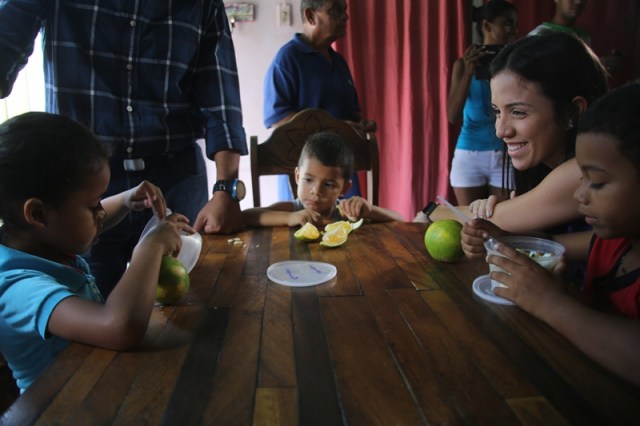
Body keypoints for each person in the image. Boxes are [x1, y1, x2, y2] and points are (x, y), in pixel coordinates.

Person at [0, 1, 247, 297]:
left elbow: (220, 97)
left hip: (176, 177)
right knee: (91, 308)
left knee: (191, 306)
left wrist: (226, 188)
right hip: (79, 188)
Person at [0, 112, 193, 393]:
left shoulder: (39, 243)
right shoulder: (19, 287)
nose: (101, 212)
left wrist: (127, 200)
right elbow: (118, 328)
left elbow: (85, 226)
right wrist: (149, 248)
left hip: (93, 384)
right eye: (93, 206)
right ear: (38, 214)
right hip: (59, 410)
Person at [464, 82, 640, 387]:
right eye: (581, 177)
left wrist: (551, 303)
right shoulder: (610, 244)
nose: (579, 194)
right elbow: (552, 247)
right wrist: (497, 239)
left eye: (596, 182)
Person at [416, 32, 608, 237]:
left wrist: (430, 213)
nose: (501, 131)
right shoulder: (550, 168)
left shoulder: (582, 170)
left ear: (574, 110)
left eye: (518, 112)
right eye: (498, 112)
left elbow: (500, 220)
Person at [263, 0, 375, 201]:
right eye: (335, 10)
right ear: (310, 16)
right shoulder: (288, 58)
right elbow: (278, 120)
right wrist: (336, 128)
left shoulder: (339, 61)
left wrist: (359, 125)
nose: (345, 16)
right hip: (308, 181)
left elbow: (350, 114)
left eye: (345, 10)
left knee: (350, 228)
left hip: (342, 173)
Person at [242, 132, 402, 227]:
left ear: (344, 189)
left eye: (328, 184)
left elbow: (401, 221)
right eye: (308, 180)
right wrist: (288, 218)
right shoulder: (292, 210)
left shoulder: (347, 214)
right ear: (297, 176)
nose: (316, 191)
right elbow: (247, 216)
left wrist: (370, 210)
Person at [447, 0, 517, 205]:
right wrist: (469, 71)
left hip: (505, 150)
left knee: (503, 219)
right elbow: (452, 115)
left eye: (514, 24)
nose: (514, 30)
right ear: (486, 26)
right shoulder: (462, 65)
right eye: (507, 23)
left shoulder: (515, 62)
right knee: (470, 220)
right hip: (469, 152)